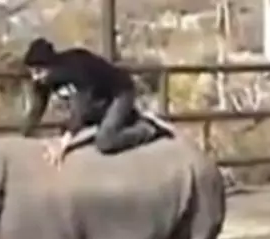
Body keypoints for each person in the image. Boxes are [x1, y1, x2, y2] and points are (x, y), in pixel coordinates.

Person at [19, 37, 172, 167]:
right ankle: (130, 119)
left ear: (52, 66)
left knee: (105, 141)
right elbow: (37, 108)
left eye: (38, 72)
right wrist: (23, 134)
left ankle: (148, 129)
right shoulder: (43, 80)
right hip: (99, 99)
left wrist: (63, 143)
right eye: (32, 72)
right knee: (68, 128)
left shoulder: (75, 68)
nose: (35, 78)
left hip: (119, 92)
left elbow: (82, 107)